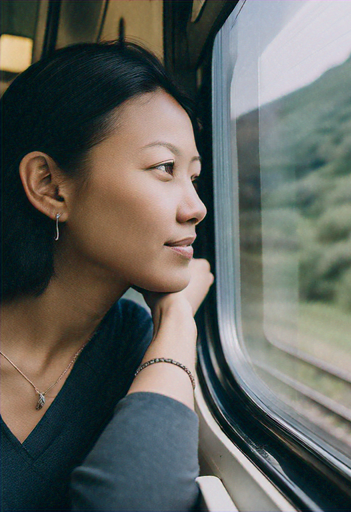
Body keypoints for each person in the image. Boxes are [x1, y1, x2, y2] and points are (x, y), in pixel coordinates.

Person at [0, 40, 214, 511]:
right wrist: (179, 317)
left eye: (193, 177)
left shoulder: (138, 346)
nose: (196, 208)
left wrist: (176, 319)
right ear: (49, 186)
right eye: (165, 167)